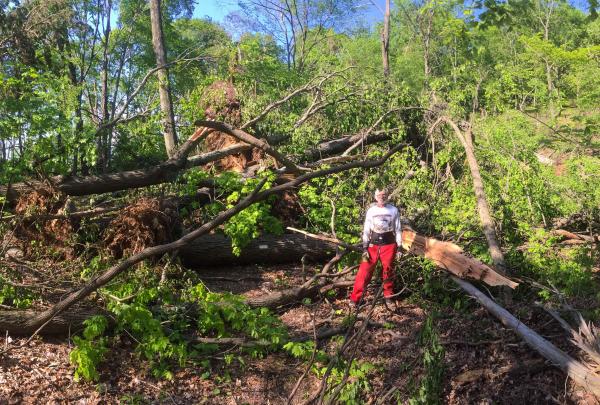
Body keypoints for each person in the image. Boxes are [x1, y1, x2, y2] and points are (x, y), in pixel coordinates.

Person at [349, 188, 402, 306]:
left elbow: (398, 229)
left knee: (388, 271)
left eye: (384, 195)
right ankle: (355, 299)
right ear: (375, 196)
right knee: (364, 271)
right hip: (372, 245)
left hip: (389, 244)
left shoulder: (393, 210)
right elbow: (367, 229)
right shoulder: (371, 211)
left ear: (387, 196)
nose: (382, 197)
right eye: (379, 195)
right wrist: (364, 247)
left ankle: (388, 297)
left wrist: (399, 247)